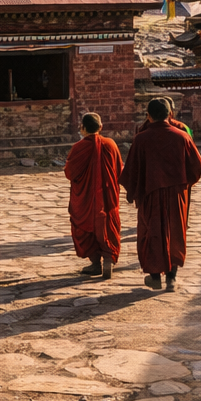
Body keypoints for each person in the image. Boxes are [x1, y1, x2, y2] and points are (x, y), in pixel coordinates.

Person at [121, 97, 201, 290]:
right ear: (170, 114)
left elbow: (132, 170)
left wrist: (133, 191)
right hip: (176, 195)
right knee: (175, 233)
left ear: (148, 116)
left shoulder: (141, 139)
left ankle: (155, 277)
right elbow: (197, 166)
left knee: (151, 233)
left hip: (150, 195)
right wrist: (184, 184)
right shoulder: (182, 137)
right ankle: (171, 278)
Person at [63, 112, 123, 280]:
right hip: (106, 197)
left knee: (86, 227)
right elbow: (119, 169)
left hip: (85, 198)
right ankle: (108, 259)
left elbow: (70, 173)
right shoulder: (110, 144)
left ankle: (95, 263)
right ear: (101, 127)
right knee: (107, 225)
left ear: (82, 128)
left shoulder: (78, 148)